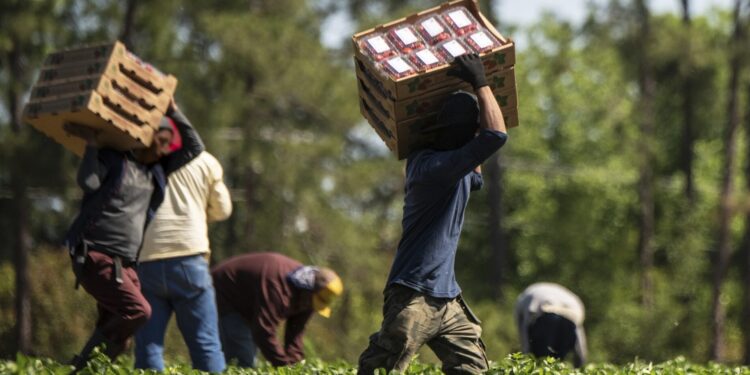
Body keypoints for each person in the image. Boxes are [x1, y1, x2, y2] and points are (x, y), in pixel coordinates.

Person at [357, 53, 508, 375]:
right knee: (384, 366)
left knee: (472, 367)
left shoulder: (458, 168)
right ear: (466, 133)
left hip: (447, 297)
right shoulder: (431, 167)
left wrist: (476, 90)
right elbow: (495, 136)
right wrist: (480, 81)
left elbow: (483, 147)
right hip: (413, 294)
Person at [64, 99, 204, 372]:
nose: (164, 148)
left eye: (167, 144)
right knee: (140, 311)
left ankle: (87, 368)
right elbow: (88, 182)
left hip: (126, 265)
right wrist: (91, 144)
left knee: (119, 337)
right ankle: (82, 368)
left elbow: (194, 146)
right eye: (160, 141)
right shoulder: (114, 160)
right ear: (143, 138)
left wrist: (173, 109)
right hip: (96, 256)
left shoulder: (157, 172)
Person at [133, 119, 232, 372]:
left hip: (147, 261)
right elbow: (223, 209)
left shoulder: (140, 161)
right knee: (205, 344)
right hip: (189, 258)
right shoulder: (205, 161)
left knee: (148, 348)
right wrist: (200, 212)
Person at [210, 252, 343, 367]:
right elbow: (263, 331)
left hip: (247, 306)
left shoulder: (308, 296)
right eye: (314, 301)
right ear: (309, 289)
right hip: (223, 293)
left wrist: (295, 365)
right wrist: (283, 366)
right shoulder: (278, 287)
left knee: (247, 358)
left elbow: (295, 335)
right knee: (243, 360)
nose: (311, 307)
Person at [514, 283, 588, 368]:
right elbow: (579, 338)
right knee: (556, 362)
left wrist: (525, 354)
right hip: (564, 317)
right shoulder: (572, 300)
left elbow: (524, 328)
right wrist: (580, 363)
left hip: (545, 316)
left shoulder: (524, 298)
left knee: (540, 361)